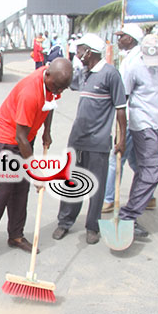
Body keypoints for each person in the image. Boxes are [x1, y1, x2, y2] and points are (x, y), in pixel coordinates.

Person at [0, 58, 73, 262]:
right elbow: (19, 137)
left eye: (63, 89)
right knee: (0, 193)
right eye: (57, 87)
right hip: (6, 139)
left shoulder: (53, 84)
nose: (59, 92)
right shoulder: (31, 92)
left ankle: (16, 236)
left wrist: (47, 130)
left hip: (25, 138)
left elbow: (50, 103)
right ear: (47, 75)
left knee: (20, 190)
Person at [52, 33, 127, 245]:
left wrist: (121, 139)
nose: (77, 54)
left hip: (98, 142)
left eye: (79, 50)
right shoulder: (83, 73)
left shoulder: (110, 74)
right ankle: (65, 222)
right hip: (77, 140)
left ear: (90, 51)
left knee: (95, 185)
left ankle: (92, 227)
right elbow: (63, 81)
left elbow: (121, 109)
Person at [113, 33, 158, 239]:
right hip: (141, 122)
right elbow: (122, 99)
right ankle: (128, 216)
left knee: (144, 169)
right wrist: (120, 133)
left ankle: (130, 215)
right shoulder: (134, 65)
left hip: (155, 121)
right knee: (152, 170)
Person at [102, 23, 149, 215]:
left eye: (121, 37)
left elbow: (124, 96)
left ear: (130, 38)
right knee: (137, 161)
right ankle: (148, 194)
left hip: (130, 117)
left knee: (116, 159)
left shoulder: (132, 61)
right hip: (144, 119)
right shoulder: (141, 57)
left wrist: (119, 125)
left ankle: (108, 199)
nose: (118, 40)